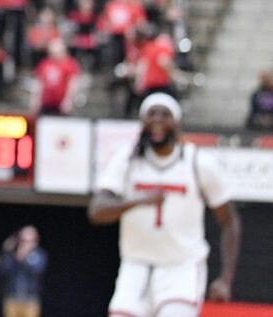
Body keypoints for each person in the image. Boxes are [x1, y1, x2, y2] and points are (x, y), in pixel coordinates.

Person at [88, 93, 241, 317]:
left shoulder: (198, 162)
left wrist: (226, 279)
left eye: (165, 114)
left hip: (182, 267)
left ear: (177, 123)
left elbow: (230, 220)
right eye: (151, 114)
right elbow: (97, 211)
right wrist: (140, 200)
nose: (157, 120)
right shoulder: (127, 159)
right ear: (142, 122)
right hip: (135, 266)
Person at [0, 226, 47, 317]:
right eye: (22, 240)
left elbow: (37, 271)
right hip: (12, 298)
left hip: (30, 299)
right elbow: (3, 270)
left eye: (29, 240)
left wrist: (24, 256)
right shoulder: (11, 255)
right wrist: (6, 252)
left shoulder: (39, 254)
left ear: (36, 241)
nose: (25, 243)